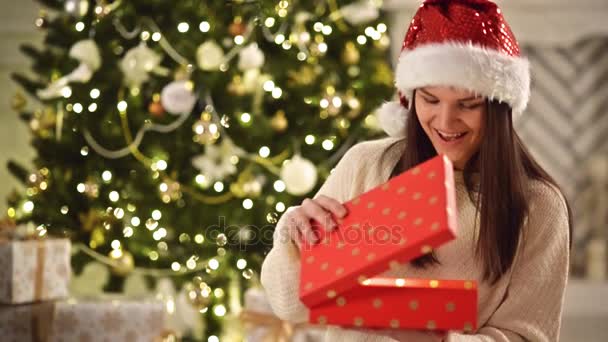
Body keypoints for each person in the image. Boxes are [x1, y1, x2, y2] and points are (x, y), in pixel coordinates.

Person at [260, 0, 572, 341]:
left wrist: (432, 338)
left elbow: (527, 337)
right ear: (410, 98)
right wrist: (296, 238)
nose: (445, 122)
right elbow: (289, 304)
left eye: (467, 105)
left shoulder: (539, 205)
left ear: (498, 109)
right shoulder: (366, 164)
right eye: (430, 99)